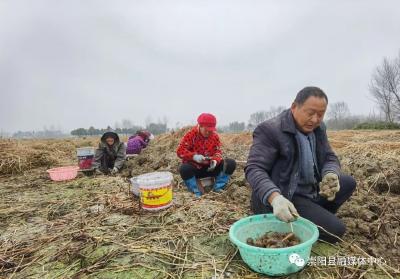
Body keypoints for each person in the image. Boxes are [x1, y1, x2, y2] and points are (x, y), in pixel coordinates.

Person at [245, 87, 356, 243]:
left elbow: (329, 156)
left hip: (311, 189)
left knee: (348, 183)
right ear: (294, 107)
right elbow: (254, 169)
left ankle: (314, 216)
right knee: (336, 231)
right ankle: (300, 220)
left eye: (321, 114)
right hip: (286, 195)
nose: (315, 119)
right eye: (310, 113)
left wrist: (330, 173)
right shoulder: (270, 130)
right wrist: (275, 198)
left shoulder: (318, 128)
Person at [177, 113, 237, 197]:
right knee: (184, 169)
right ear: (200, 126)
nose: (208, 132)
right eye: (206, 130)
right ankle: (196, 192)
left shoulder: (215, 136)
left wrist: (215, 160)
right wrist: (194, 157)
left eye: (211, 130)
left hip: (210, 168)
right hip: (196, 169)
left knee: (230, 163)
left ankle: (218, 188)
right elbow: (180, 151)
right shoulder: (190, 135)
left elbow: (218, 151)